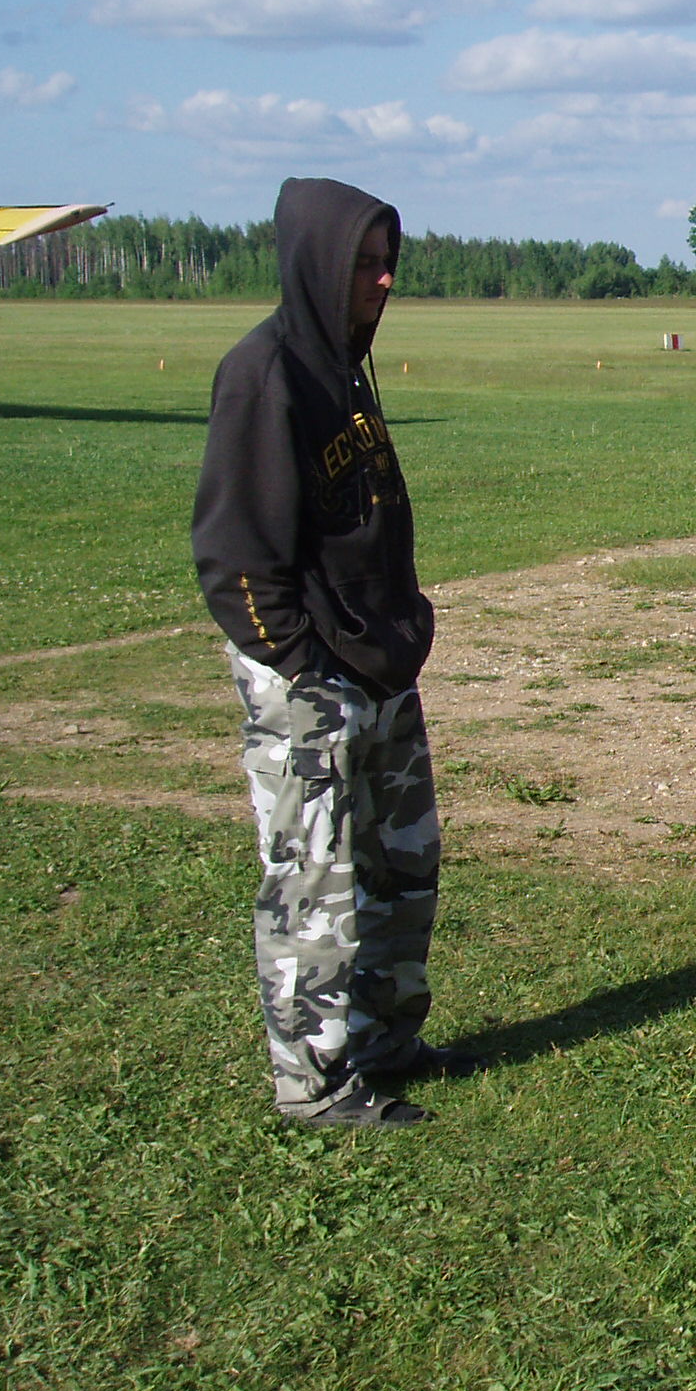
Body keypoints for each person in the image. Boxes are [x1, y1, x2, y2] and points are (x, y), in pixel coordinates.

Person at [192, 177, 476, 1128]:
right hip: (314, 680)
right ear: (318, 264)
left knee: (403, 865)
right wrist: (304, 664)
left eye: (388, 260)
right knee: (317, 883)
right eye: (363, 262)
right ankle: (315, 1086)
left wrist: (400, 627)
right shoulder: (265, 374)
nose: (384, 279)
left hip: (381, 662)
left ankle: (387, 1038)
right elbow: (234, 558)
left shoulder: (346, 368)